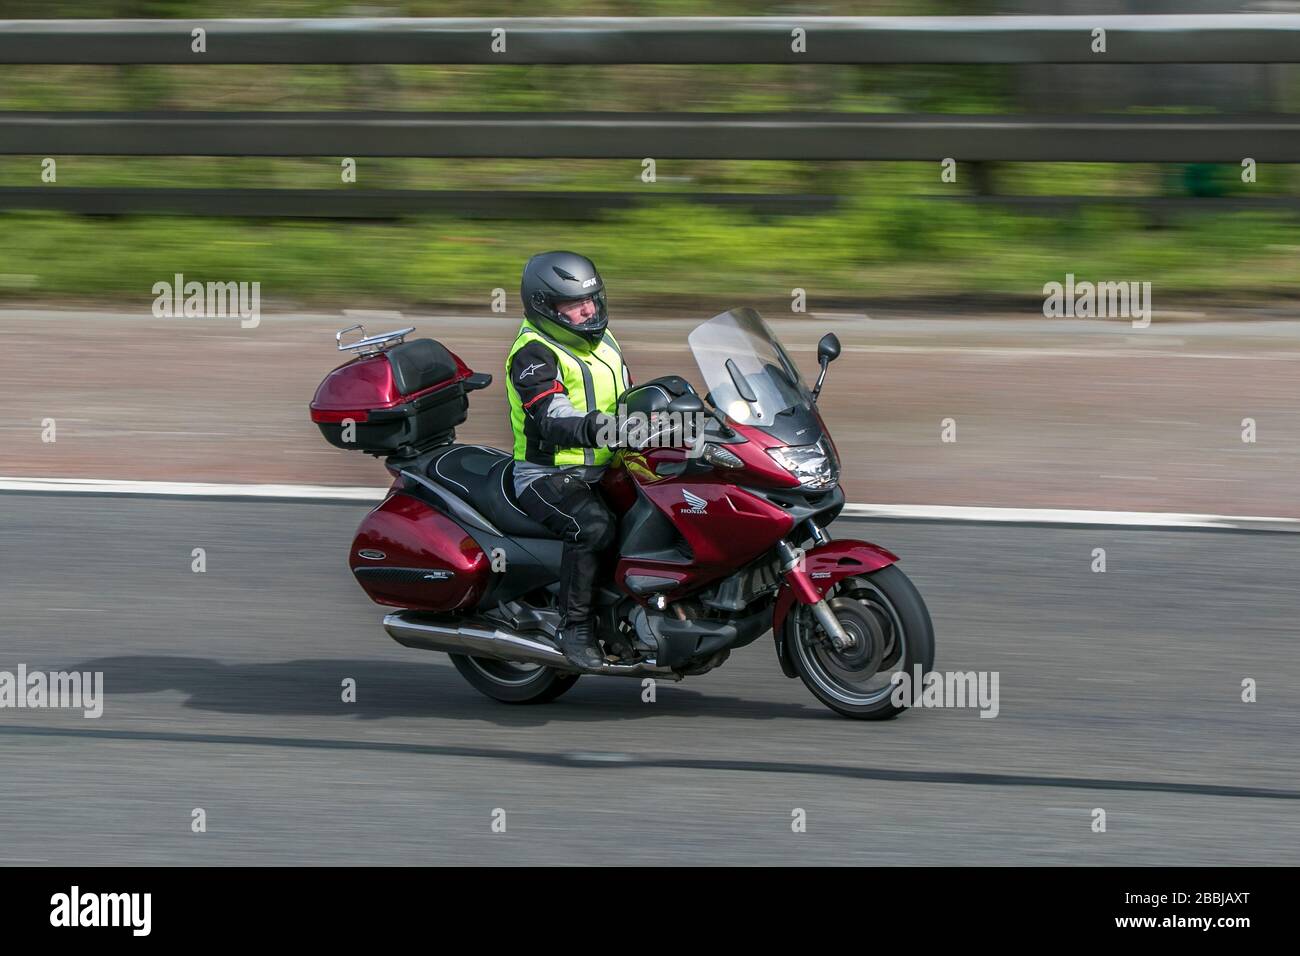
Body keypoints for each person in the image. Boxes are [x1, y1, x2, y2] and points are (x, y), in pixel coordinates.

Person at [505, 251, 631, 668]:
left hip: (608, 464)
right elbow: (553, 417)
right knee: (593, 528)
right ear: (545, 307)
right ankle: (574, 628)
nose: (589, 309)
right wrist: (607, 428)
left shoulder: (601, 339)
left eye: (592, 299)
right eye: (575, 305)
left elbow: (628, 397)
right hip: (549, 474)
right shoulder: (533, 354)